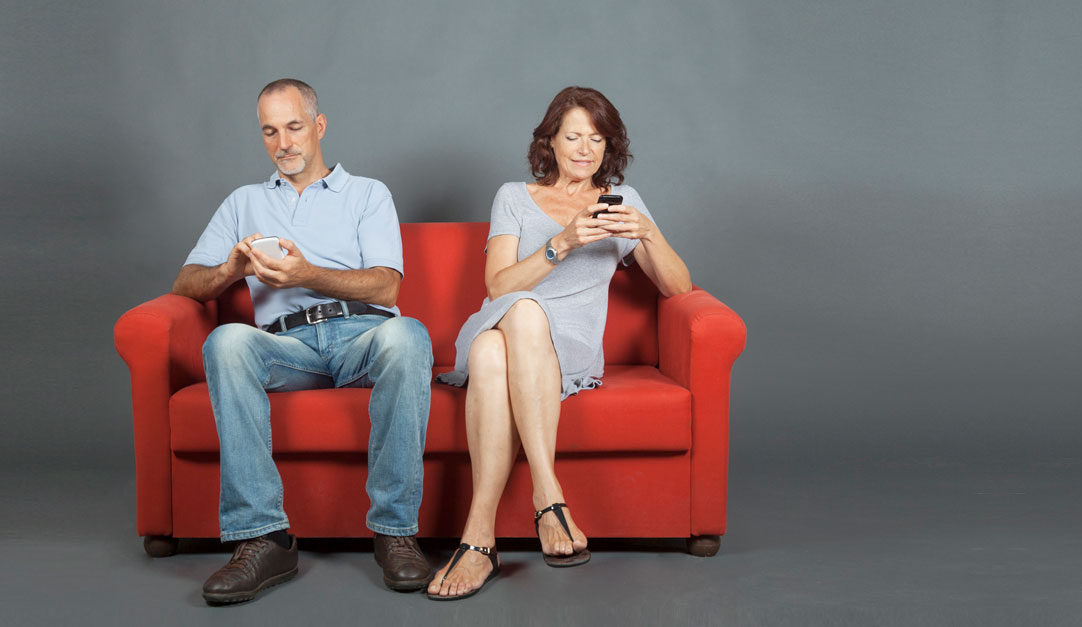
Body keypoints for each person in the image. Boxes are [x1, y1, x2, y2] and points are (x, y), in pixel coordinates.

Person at [172, 79, 434, 605]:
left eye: (293, 127)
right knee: (226, 341)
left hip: (363, 335)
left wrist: (304, 274)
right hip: (286, 347)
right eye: (270, 131)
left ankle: (395, 531)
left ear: (318, 126)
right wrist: (230, 268)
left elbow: (387, 285)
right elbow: (185, 285)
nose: (283, 143)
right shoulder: (243, 202)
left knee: (408, 334)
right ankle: (263, 537)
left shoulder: (367, 193)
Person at [427, 86, 693, 600]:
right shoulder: (513, 196)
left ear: (608, 147)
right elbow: (498, 287)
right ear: (550, 140)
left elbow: (678, 288)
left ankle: (478, 542)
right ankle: (549, 500)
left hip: (566, 345)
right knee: (514, 317)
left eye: (597, 138)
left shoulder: (624, 202)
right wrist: (563, 241)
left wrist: (648, 235)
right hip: (507, 317)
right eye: (573, 136)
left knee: (488, 353)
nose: (584, 149)